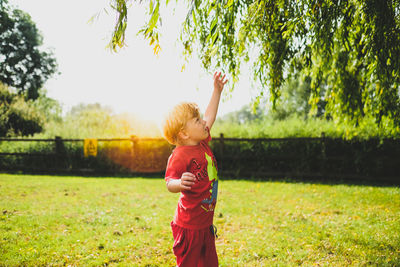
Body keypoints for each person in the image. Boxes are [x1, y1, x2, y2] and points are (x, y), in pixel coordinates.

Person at [162, 71, 228, 267]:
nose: (203, 122)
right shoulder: (180, 154)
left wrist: (216, 91)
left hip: (205, 224)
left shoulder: (202, 143)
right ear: (183, 134)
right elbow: (169, 182)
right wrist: (179, 183)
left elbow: (210, 115)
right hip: (189, 226)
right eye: (197, 121)